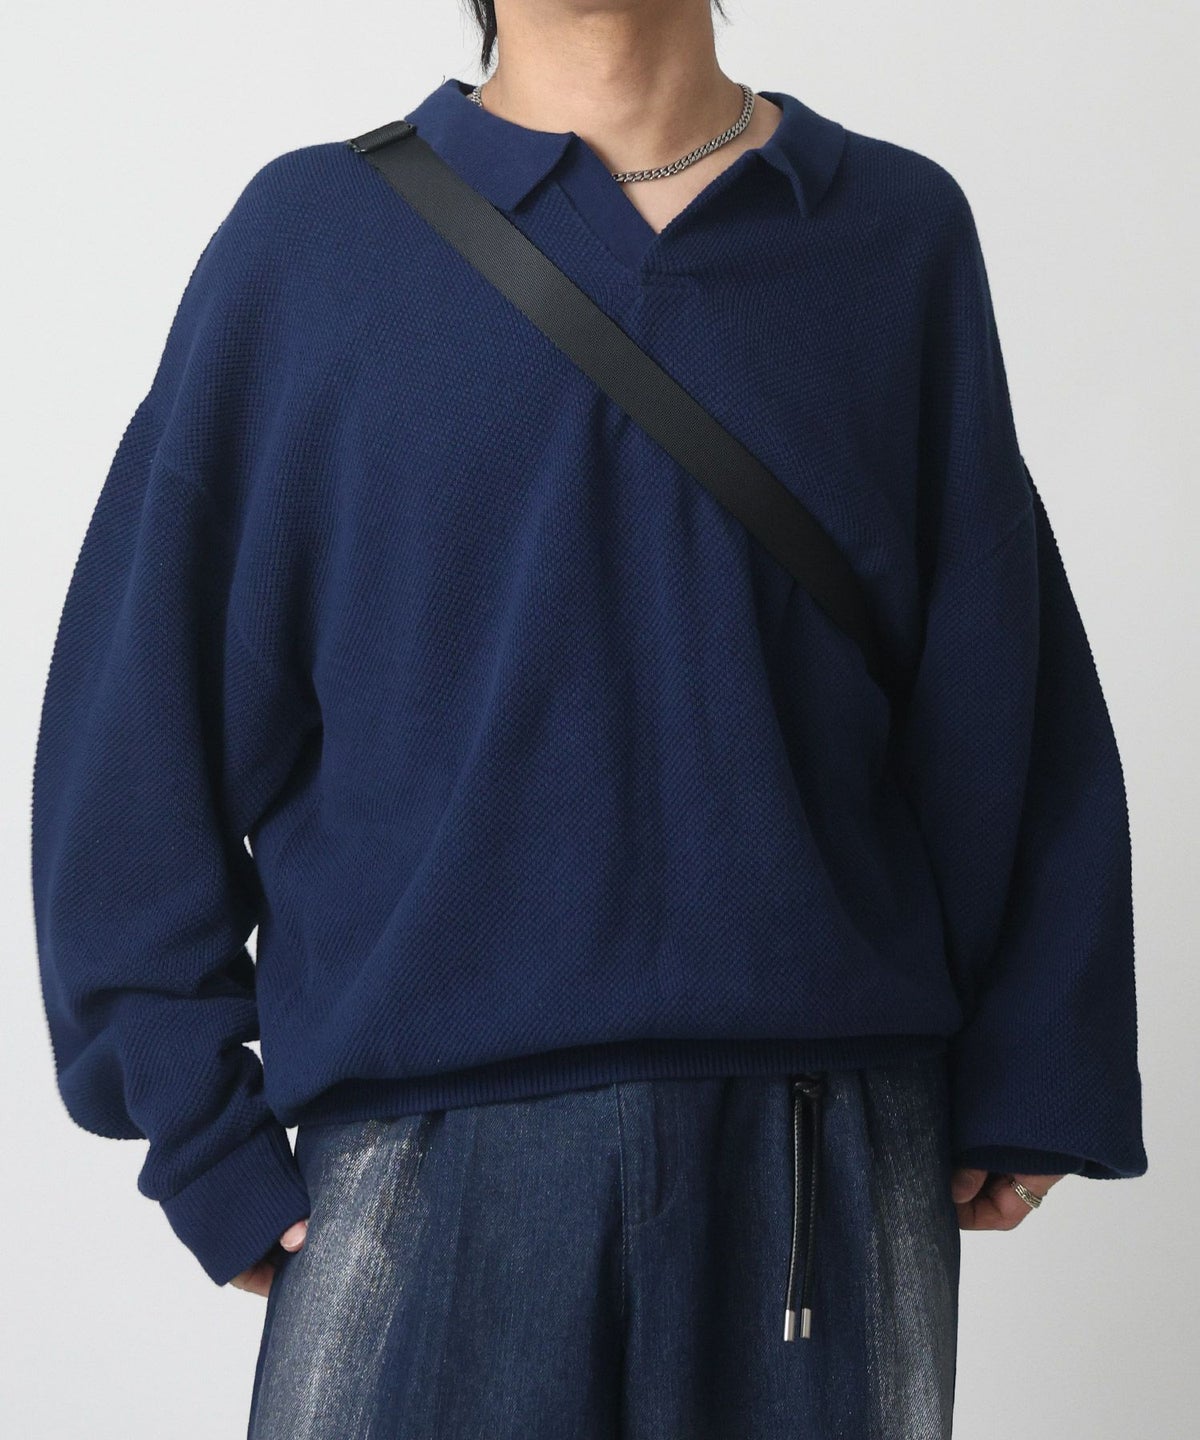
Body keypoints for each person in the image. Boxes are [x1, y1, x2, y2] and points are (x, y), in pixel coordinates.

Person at [30, 1, 1148, 1435]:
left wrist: (1042, 1058)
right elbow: (138, 729)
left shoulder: (894, 235)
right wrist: (196, 1129)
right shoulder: (311, 247)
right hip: (423, 1165)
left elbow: (1005, 684)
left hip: (821, 1153)